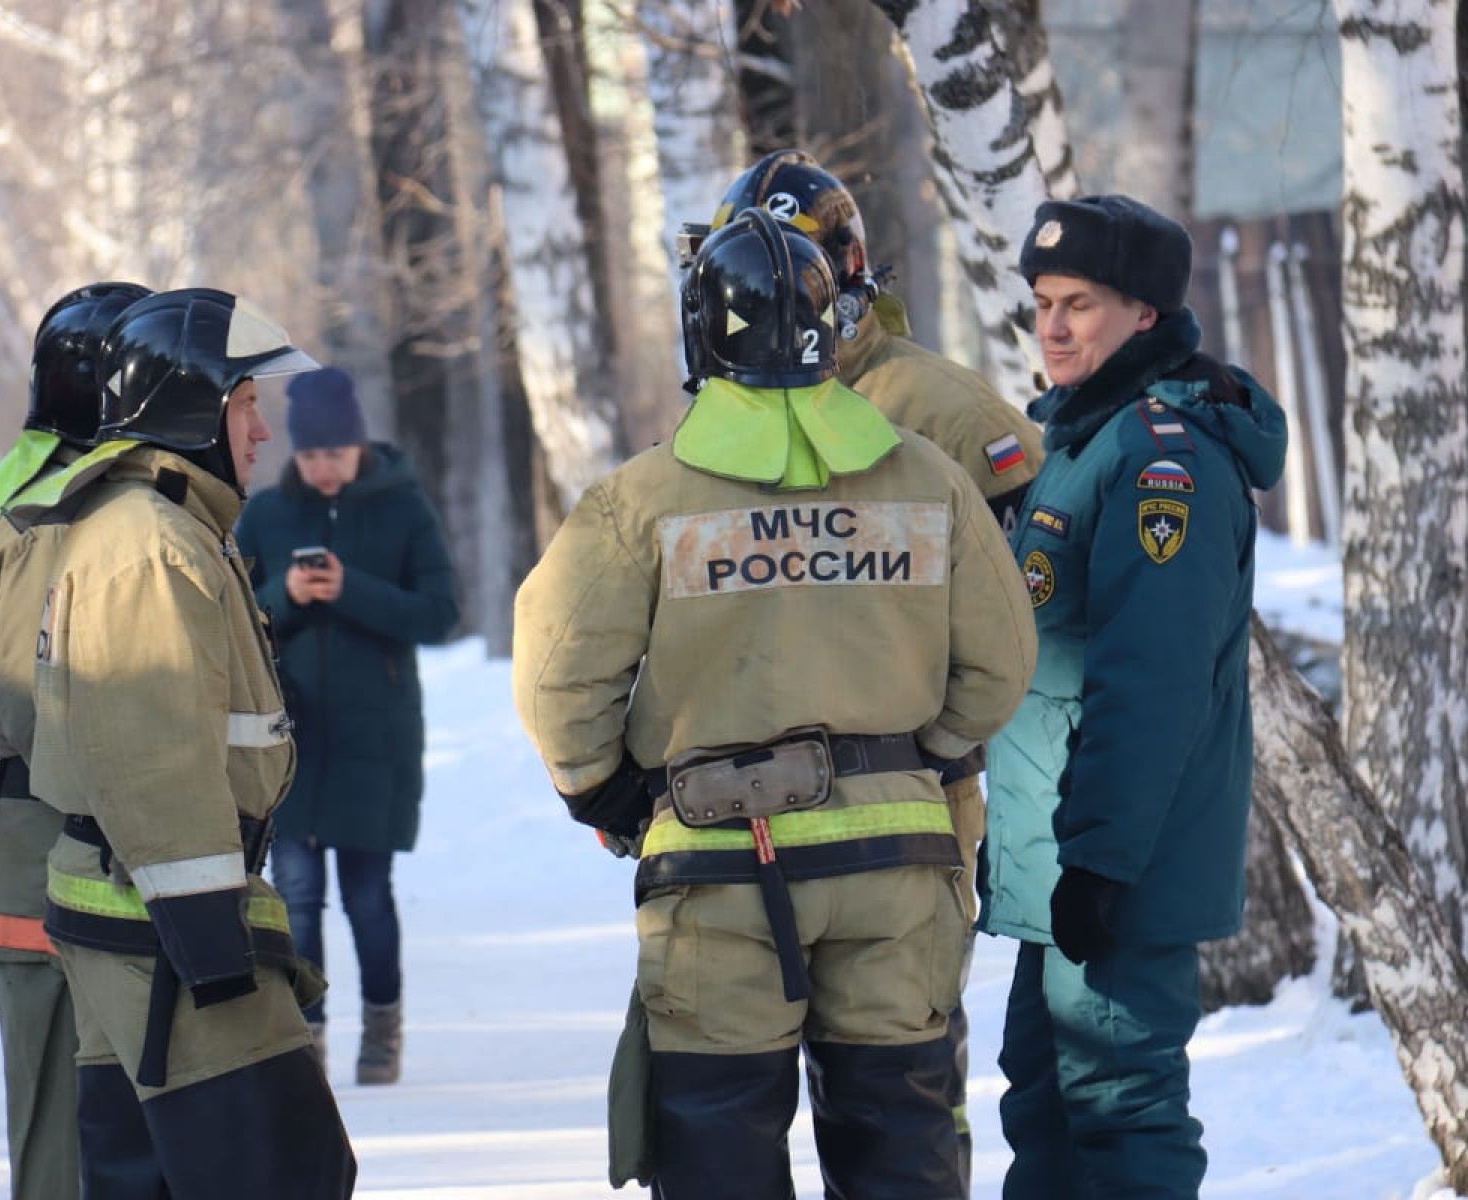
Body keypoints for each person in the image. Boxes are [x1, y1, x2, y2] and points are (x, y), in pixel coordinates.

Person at [513, 207, 1036, 1199]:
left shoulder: (645, 501)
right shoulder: (926, 480)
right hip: (898, 866)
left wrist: (606, 792)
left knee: (717, 1147)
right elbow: (1003, 663)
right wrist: (919, 751)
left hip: (719, 869)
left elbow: (556, 680)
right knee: (901, 1147)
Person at [704, 147, 1044, 1189]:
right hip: (768, 815)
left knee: (902, 1088)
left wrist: (939, 742)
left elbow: (1021, 599)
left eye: (798, 270)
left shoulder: (941, 408)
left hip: (917, 800)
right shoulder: (735, 414)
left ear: (847, 269)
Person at [11, 287, 356, 1197]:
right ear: (192, 408)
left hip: (144, 924)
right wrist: (213, 941)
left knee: (144, 1179)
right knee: (289, 1174)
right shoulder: (152, 548)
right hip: (171, 937)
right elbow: (149, 753)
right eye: (248, 405)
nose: (264, 433)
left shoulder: (160, 527)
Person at [984, 195, 1288, 1200]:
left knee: (1121, 1116)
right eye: (1043, 304)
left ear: (1147, 314)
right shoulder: (1079, 442)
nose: (1055, 327)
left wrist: (1102, 863)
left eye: (1082, 304)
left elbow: (1150, 682)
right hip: (1058, 861)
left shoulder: (1164, 460)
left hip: (1112, 867)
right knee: (1044, 1105)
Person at [0, 280, 150, 1200]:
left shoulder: (26, 507)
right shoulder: (93, 522)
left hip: (40, 863)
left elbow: (2, 714)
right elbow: (27, 713)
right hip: (75, 869)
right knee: (74, 1161)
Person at [233, 366, 457, 1085]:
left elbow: (439, 610)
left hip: (376, 736)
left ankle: (383, 1030)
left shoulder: (403, 508)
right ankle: (309, 1036)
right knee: (296, 896)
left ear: (358, 445)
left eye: (336, 453)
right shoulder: (265, 515)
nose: (324, 468)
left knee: (367, 895)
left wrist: (350, 589)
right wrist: (287, 595)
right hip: (292, 737)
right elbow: (233, 620)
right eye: (311, 455)